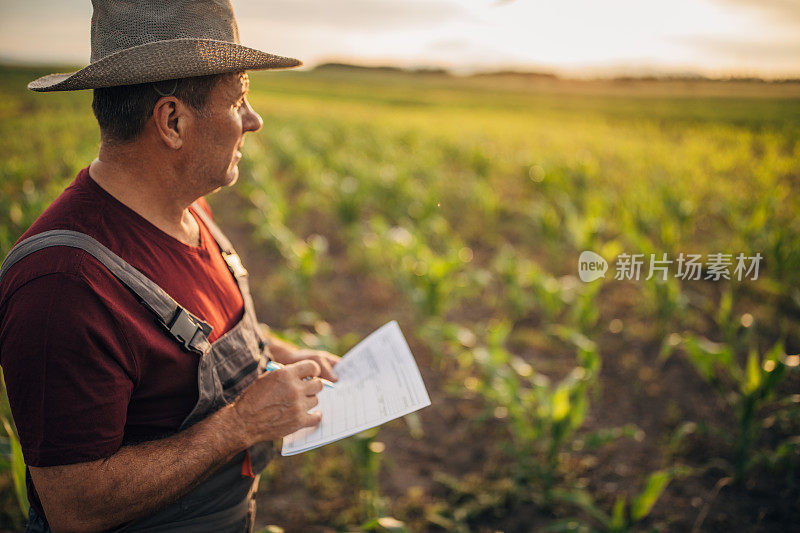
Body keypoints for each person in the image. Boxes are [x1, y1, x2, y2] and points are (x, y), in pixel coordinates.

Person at [0, 1, 340, 531]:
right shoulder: (63, 285)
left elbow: (185, 347)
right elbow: (74, 506)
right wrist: (241, 424)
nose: (254, 121)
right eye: (240, 100)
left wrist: (277, 352)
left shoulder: (188, 210)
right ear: (173, 121)